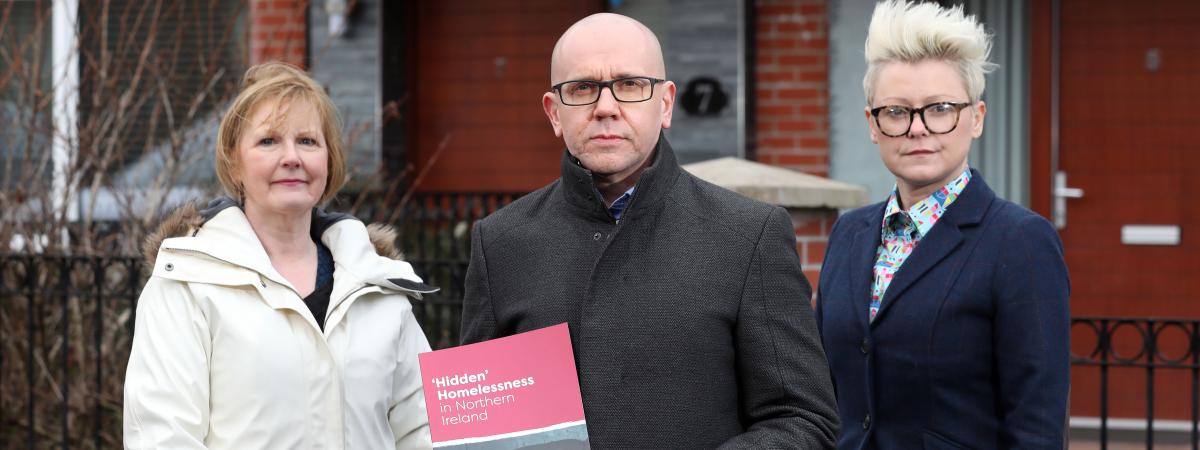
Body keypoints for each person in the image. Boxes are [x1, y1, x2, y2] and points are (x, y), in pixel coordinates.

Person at [459, 13, 839, 449]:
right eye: (582, 88)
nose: (605, 107)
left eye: (630, 84)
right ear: (554, 113)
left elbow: (803, 418)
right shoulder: (501, 242)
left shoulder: (747, 235)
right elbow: (484, 429)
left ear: (665, 104)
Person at [123, 62, 436, 449]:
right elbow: (162, 436)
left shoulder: (378, 287)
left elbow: (424, 431)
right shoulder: (187, 284)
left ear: (329, 160)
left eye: (307, 141)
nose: (292, 157)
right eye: (268, 141)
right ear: (234, 162)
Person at [815, 1, 1071, 448]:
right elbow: (824, 390)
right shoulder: (850, 233)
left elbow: (1036, 425)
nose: (917, 129)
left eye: (939, 109)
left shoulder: (1019, 241)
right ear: (872, 125)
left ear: (977, 118)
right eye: (895, 111)